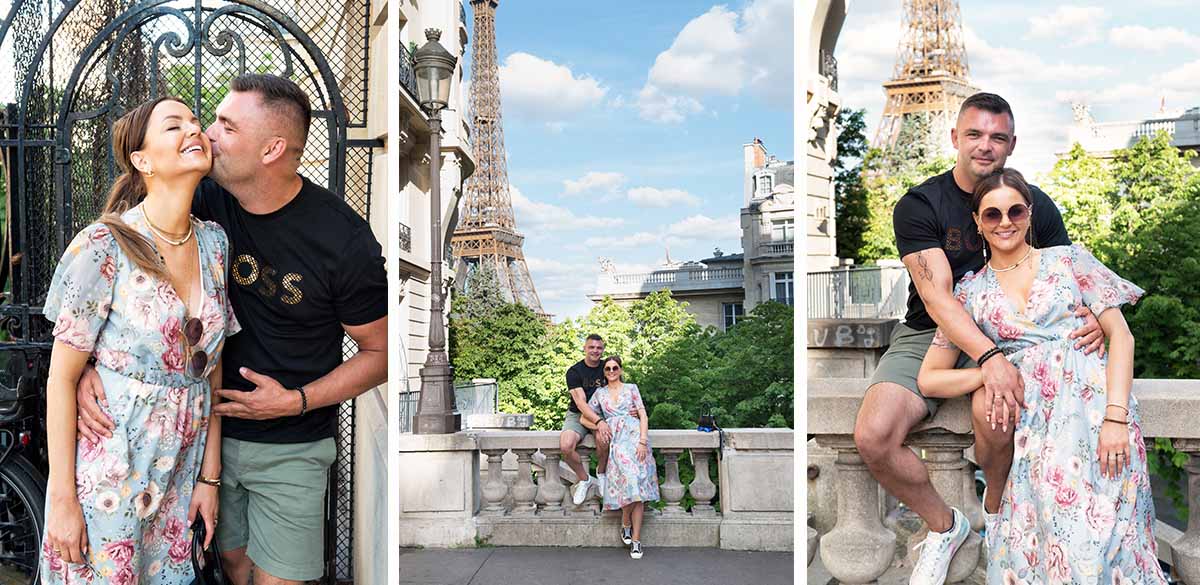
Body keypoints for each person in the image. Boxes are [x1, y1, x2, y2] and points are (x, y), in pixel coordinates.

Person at [74, 74, 388, 585]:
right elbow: (117, 271)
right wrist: (90, 363)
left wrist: (298, 400)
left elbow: (379, 353)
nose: (209, 134)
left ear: (272, 149)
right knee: (229, 571)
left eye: (226, 126)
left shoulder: (344, 240)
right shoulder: (204, 203)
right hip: (198, 444)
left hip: (291, 446)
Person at [851, 92, 1107, 584]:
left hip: (1020, 333)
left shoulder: (1033, 204)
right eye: (974, 134)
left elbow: (1069, 276)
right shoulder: (920, 204)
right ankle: (945, 526)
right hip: (933, 332)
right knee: (873, 435)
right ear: (955, 138)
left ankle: (1000, 507)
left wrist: (1096, 315)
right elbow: (937, 297)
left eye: (997, 137)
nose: (984, 146)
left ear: (1011, 144)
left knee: (997, 416)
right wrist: (986, 356)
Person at [918, 168, 1166, 583]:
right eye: (992, 215)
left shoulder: (1069, 260)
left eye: (1015, 210)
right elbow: (930, 379)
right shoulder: (969, 293)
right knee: (1051, 549)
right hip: (1034, 436)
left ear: (1030, 214)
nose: (1005, 222)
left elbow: (1121, 336)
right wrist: (991, 372)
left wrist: (1116, 418)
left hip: (1096, 420)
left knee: (1105, 546)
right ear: (977, 223)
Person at [40, 97, 237, 583]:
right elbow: (61, 379)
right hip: (110, 471)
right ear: (142, 161)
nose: (193, 129)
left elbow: (212, 370)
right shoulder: (104, 244)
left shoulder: (215, 243)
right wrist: (62, 500)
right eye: (174, 126)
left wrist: (209, 479)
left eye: (195, 121)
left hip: (178, 475)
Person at [584, 356, 658, 559]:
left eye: (615, 367)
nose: (611, 371)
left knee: (638, 488)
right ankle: (625, 520)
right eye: (607, 368)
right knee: (631, 483)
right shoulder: (600, 393)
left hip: (636, 440)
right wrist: (600, 423)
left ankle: (635, 540)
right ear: (604, 372)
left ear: (621, 369)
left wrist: (643, 441)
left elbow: (643, 415)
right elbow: (584, 417)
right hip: (617, 443)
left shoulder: (632, 388)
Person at [561, 334, 612, 505]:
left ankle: (601, 473)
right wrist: (599, 422)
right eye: (591, 347)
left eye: (599, 348)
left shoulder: (608, 367)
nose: (595, 351)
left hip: (604, 412)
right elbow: (581, 403)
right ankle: (584, 479)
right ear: (585, 348)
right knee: (566, 446)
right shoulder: (575, 372)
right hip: (578, 414)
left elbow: (618, 391)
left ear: (602, 350)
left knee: (603, 440)